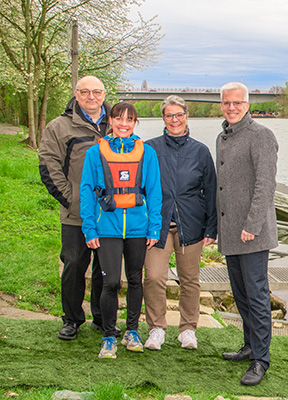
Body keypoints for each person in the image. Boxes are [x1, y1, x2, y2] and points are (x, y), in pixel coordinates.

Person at [79, 102, 162, 358]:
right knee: (110, 282)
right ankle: (108, 335)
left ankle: (133, 331)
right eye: (119, 119)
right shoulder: (95, 153)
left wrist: (154, 227)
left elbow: (155, 192)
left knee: (136, 280)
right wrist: (89, 228)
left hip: (138, 228)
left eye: (129, 119)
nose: (124, 124)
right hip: (107, 228)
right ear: (111, 121)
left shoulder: (147, 153)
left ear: (135, 123)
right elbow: (86, 191)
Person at [39, 75, 111, 340]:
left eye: (96, 92)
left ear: (104, 94)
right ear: (76, 94)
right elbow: (49, 166)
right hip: (76, 214)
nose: (91, 97)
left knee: (106, 268)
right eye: (85, 92)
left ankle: (102, 318)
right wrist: (72, 200)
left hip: (109, 214)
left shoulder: (116, 124)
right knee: (73, 266)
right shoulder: (59, 127)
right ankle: (71, 319)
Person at [143, 95, 218, 351]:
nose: (174, 120)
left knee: (190, 279)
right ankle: (156, 328)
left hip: (191, 225)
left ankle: (187, 329)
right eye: (169, 115)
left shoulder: (200, 151)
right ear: (163, 118)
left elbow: (210, 191)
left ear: (187, 116)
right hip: (158, 225)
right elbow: (140, 187)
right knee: (153, 277)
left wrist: (211, 228)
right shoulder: (149, 148)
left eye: (179, 115)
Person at [217, 82, 278, 386]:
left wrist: (252, 226)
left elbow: (265, 186)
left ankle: (261, 360)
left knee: (257, 296)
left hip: (252, 234)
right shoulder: (223, 137)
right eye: (226, 103)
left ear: (247, 104)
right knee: (241, 295)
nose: (231, 107)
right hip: (231, 233)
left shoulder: (261, 136)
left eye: (237, 103)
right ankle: (250, 345)